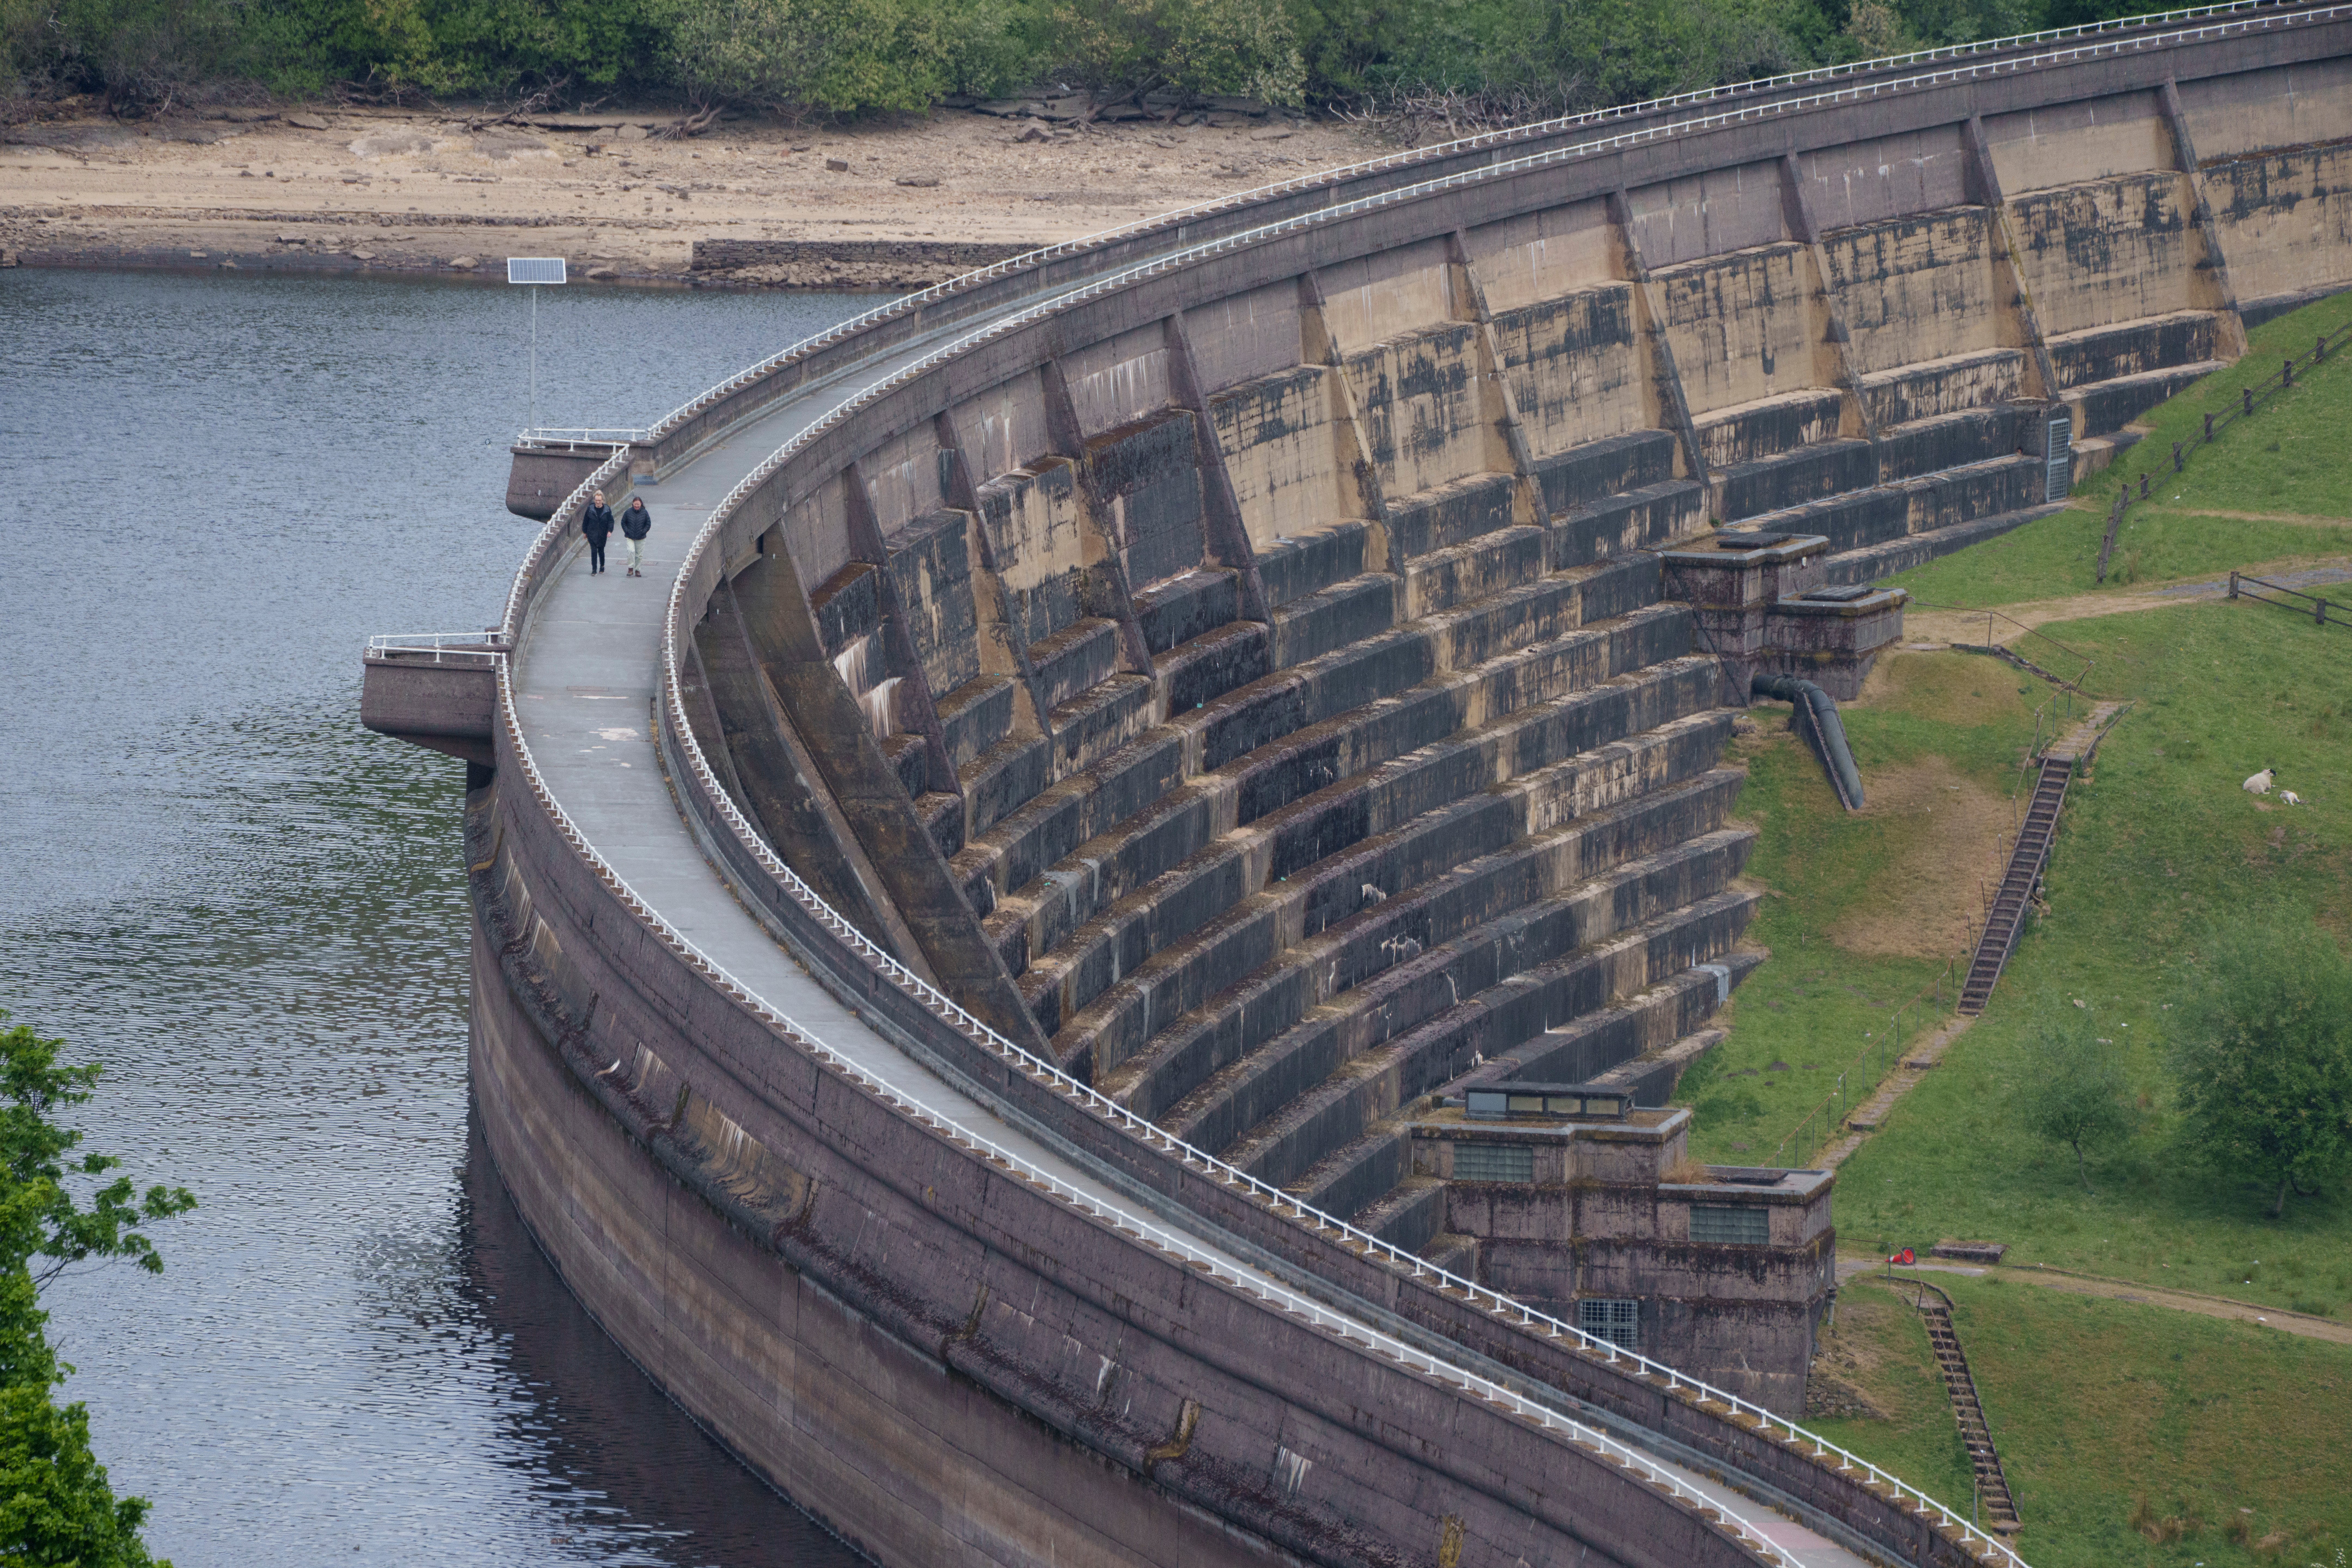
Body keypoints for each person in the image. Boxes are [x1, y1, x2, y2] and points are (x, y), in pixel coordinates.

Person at [580, 490, 615, 575]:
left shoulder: (607, 509)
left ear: (603, 500)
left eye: (600, 500)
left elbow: (611, 521)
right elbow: (586, 521)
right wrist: (585, 532)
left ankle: (602, 566)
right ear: (594, 500)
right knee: (594, 551)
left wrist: (610, 531)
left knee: (601, 550)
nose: (598, 502)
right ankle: (594, 569)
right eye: (597, 500)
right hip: (592, 533)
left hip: (603, 533)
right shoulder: (590, 509)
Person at [619, 495, 652, 577]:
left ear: (641, 504)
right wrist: (627, 531)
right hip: (630, 537)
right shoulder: (628, 512)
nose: (637, 506)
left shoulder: (645, 513)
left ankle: (638, 570)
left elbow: (648, 524)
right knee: (631, 551)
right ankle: (631, 569)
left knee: (639, 555)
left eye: (638, 505)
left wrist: (643, 532)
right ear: (633, 504)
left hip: (641, 537)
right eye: (635, 505)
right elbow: (623, 522)